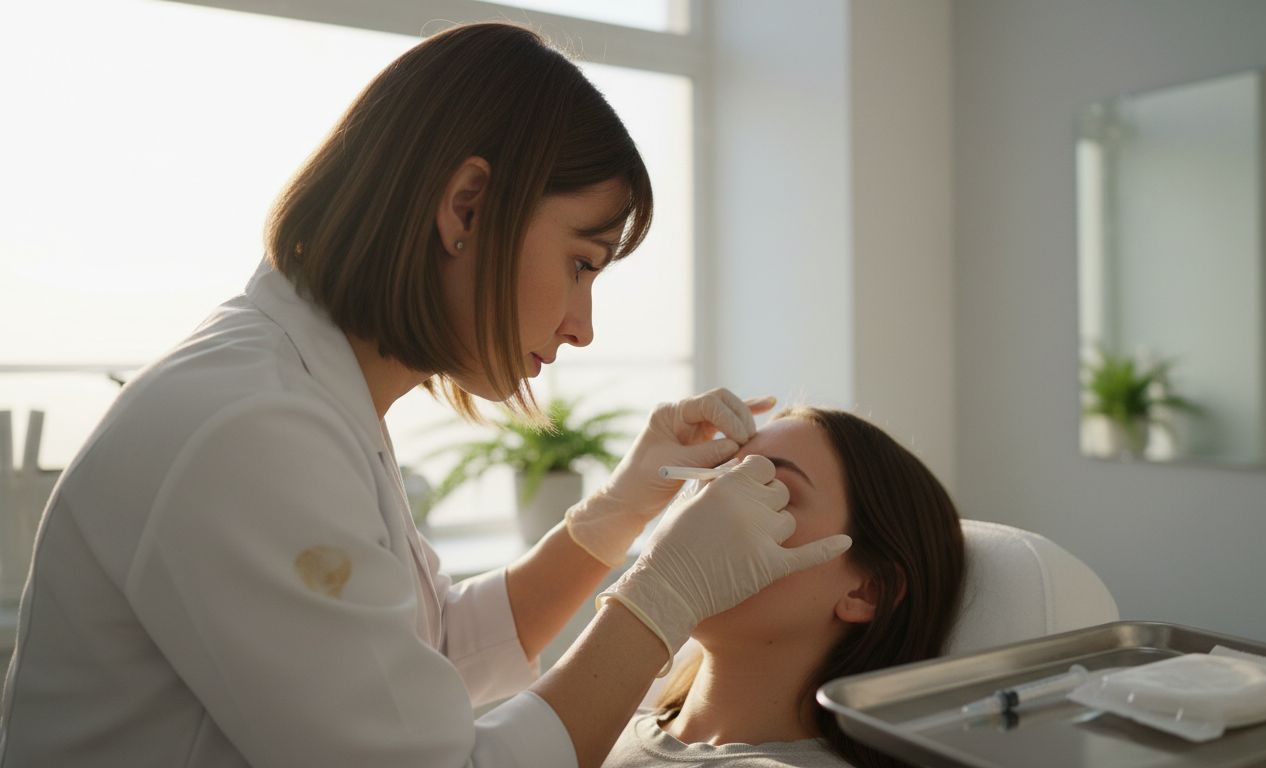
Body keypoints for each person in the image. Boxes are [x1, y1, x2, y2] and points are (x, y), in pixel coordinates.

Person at [0, 23, 851, 768]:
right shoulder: (250, 429)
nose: (582, 326)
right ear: (467, 205)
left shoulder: (313, 401)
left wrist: (618, 513)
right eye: (581, 264)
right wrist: (665, 592)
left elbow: (434, 648)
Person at [601, 407, 968, 768]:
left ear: (867, 592)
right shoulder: (598, 729)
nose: (709, 510)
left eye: (770, 490)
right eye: (714, 479)